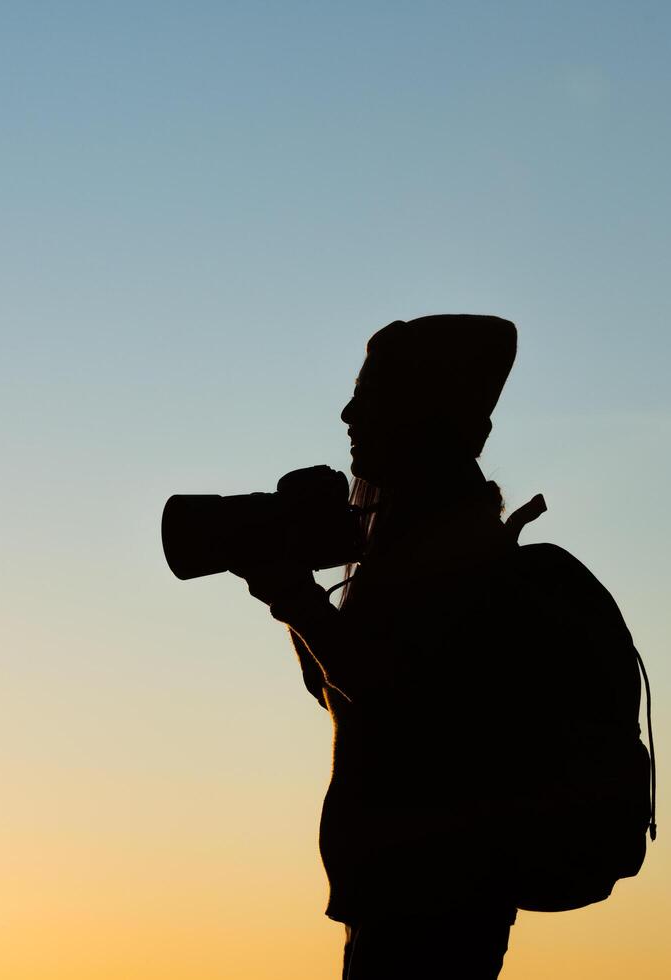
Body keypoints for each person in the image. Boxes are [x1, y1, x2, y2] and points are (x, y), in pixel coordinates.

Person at [232, 314, 533, 979]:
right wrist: (294, 587)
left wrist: (294, 594)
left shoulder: (458, 548)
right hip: (402, 890)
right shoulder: (417, 534)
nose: (347, 413)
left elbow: (385, 686)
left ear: (422, 412)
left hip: (432, 893)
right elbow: (341, 690)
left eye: (369, 394)